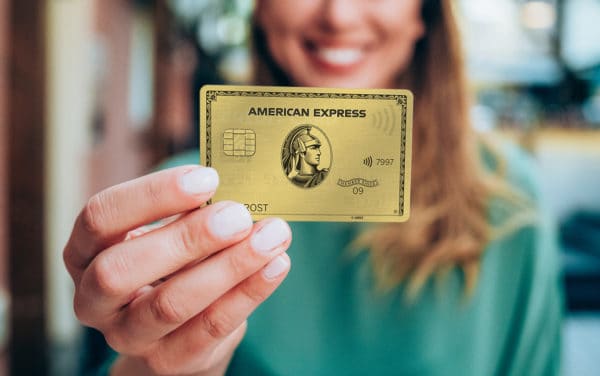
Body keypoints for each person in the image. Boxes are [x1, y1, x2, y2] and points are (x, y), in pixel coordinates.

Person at [66, 1, 563, 375]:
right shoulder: (181, 202)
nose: (339, 15)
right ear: (259, 10)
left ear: (424, 15)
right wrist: (161, 366)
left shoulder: (508, 199)